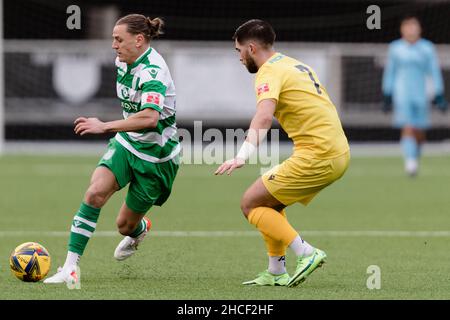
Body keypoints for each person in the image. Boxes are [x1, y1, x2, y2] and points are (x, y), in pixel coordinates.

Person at [44, 14, 180, 285]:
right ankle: (70, 268)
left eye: (119, 39)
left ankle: (139, 229)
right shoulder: (123, 61)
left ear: (139, 40)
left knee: (124, 226)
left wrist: (104, 126)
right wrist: (116, 131)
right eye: (113, 39)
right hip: (127, 144)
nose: (114, 45)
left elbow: (150, 118)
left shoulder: (153, 71)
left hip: (157, 157)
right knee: (94, 194)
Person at [215, 19, 350, 287]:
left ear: (251, 48)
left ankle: (306, 253)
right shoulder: (293, 64)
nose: (239, 58)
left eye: (238, 51)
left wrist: (242, 155)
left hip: (318, 155)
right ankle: (276, 271)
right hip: (335, 151)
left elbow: (263, 117)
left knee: (250, 203)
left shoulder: (267, 72)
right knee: (270, 203)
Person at [382, 15, 447, 177]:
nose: (411, 30)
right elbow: (390, 72)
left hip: (421, 93)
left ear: (419, 29)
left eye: (414, 27)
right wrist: (387, 94)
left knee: (419, 130)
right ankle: (410, 162)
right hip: (402, 93)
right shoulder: (395, 48)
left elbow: (434, 71)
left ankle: (414, 155)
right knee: (408, 126)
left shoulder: (427, 48)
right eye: (408, 27)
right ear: (402, 30)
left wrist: (439, 93)